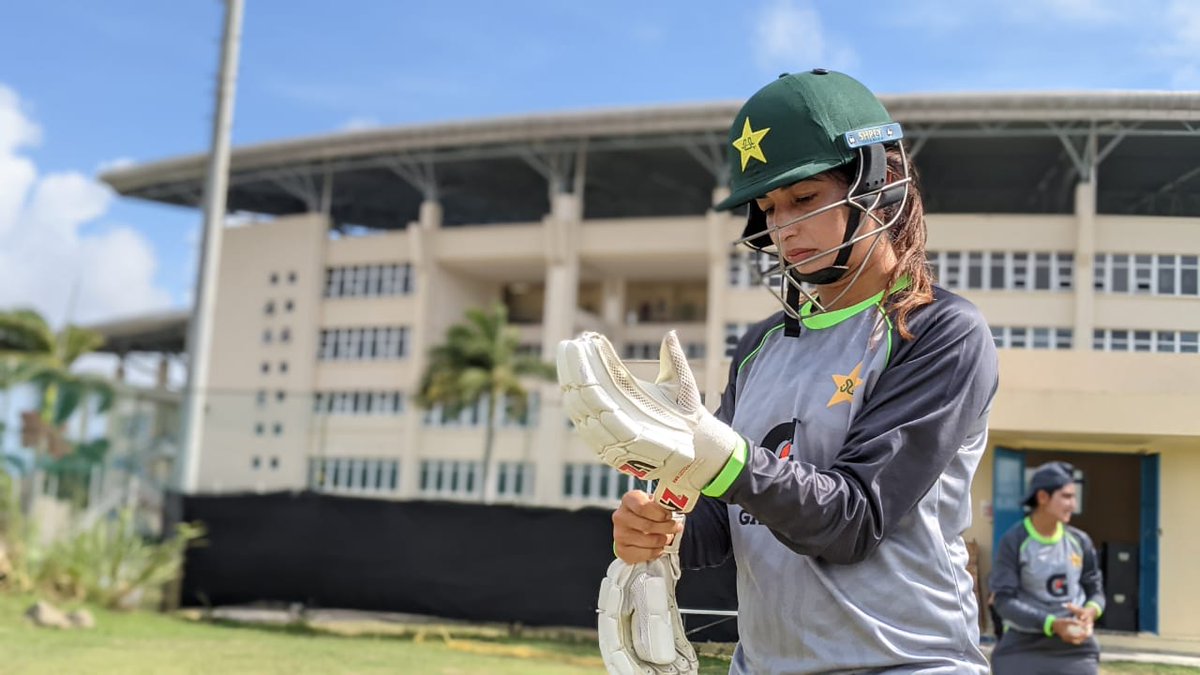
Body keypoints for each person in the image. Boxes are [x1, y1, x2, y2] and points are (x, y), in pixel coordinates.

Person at [607, 69, 999, 673]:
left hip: (904, 663)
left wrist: (724, 458)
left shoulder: (940, 331)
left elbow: (853, 521)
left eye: (804, 198)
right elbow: (728, 515)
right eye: (768, 207)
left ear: (876, 183)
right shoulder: (761, 345)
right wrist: (664, 522)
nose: (783, 229)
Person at [989, 461, 1105, 674]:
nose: (1073, 504)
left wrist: (1090, 611)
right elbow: (1003, 601)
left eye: (1074, 496)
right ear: (1043, 497)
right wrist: (1051, 623)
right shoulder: (1014, 541)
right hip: (1022, 644)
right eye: (1067, 496)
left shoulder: (1081, 541)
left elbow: (1096, 592)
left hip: (1074, 648)